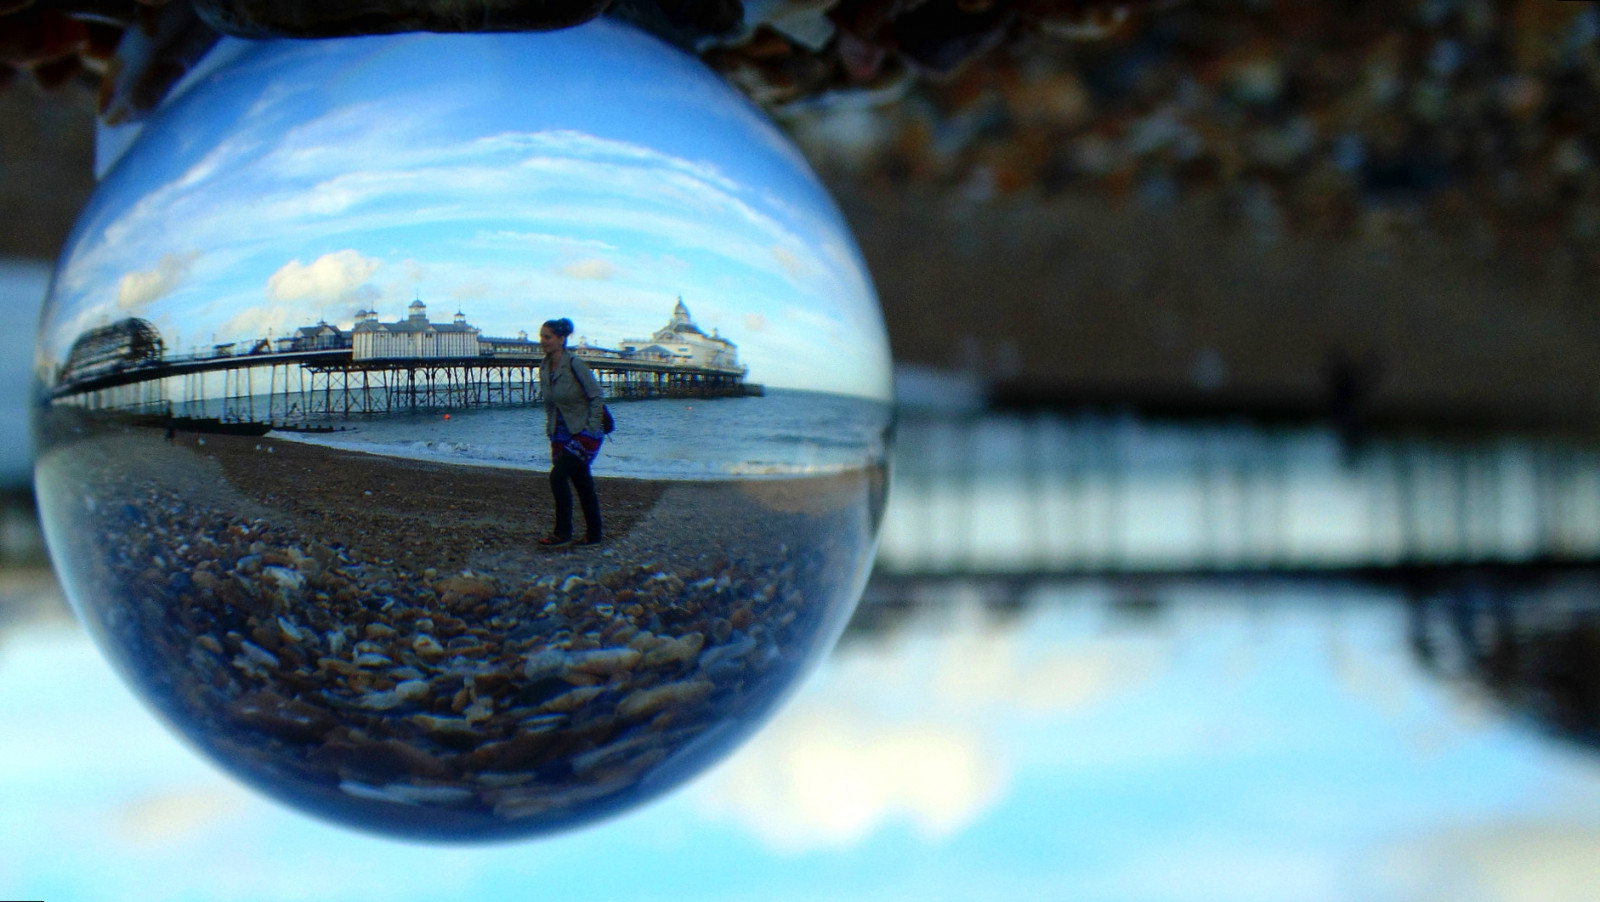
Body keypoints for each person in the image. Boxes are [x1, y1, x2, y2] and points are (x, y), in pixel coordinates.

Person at [537, 317, 604, 546]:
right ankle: (594, 535)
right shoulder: (544, 367)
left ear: (560, 339)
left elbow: (596, 396)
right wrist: (550, 429)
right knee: (581, 481)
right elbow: (550, 404)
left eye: (547, 337)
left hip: (583, 432)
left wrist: (591, 429)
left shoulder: (575, 364)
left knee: (558, 476)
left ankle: (562, 532)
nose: (543, 341)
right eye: (542, 337)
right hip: (560, 433)